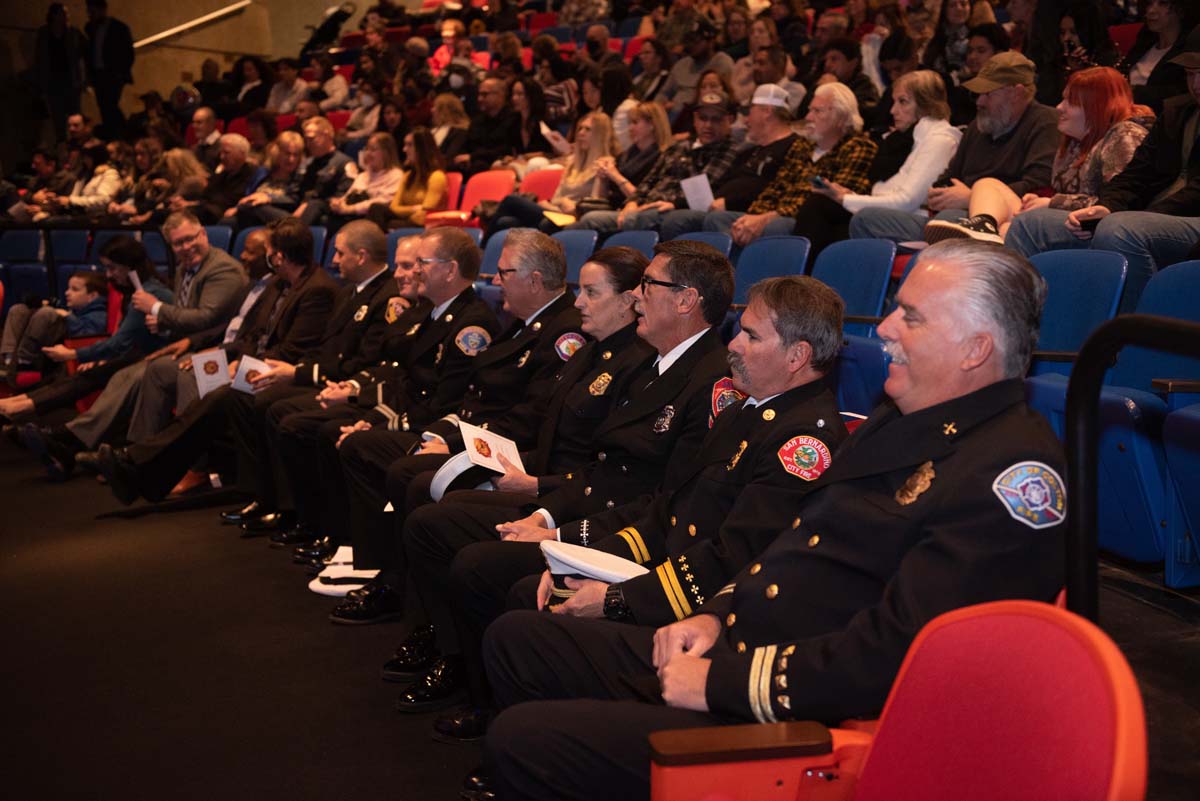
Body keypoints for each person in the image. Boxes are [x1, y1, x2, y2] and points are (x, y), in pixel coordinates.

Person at [479, 239, 1066, 801]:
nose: (883, 329)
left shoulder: (1008, 475)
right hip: (741, 642)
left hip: (799, 714)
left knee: (524, 741)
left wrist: (720, 682)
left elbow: (897, 660)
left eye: (910, 317)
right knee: (519, 639)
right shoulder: (904, 419)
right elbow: (789, 549)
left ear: (975, 348)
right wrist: (715, 617)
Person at [415, 275, 848, 740]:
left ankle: (540, 746)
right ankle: (532, 741)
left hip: (701, 614)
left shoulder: (802, 442)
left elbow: (735, 559)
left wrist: (618, 599)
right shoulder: (753, 410)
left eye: (751, 335)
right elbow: (669, 511)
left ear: (797, 356)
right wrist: (577, 559)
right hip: (670, 576)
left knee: (519, 625)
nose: (734, 345)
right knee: (528, 594)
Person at [251, 229, 498, 549]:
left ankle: (362, 549)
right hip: (408, 411)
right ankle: (343, 538)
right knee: (336, 433)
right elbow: (405, 379)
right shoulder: (433, 311)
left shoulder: (470, 324)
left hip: (432, 426)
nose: (415, 271)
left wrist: (381, 421)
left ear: (450, 270)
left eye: (422, 262)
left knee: (352, 442)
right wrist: (376, 417)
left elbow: (443, 399)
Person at [85, 219, 345, 505]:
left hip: (278, 371)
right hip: (251, 362)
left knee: (217, 391)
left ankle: (163, 467)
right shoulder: (279, 283)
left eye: (267, 250)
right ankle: (140, 464)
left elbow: (292, 350)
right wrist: (227, 357)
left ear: (278, 256)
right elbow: (254, 334)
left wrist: (243, 364)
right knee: (177, 370)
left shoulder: (317, 290)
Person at [13, 212, 246, 478]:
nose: (185, 247)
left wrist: (157, 309)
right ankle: (132, 457)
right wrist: (165, 323)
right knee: (131, 372)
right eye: (178, 244)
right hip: (189, 344)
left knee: (144, 371)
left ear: (203, 233)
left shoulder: (222, 269)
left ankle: (113, 452)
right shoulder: (186, 267)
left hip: (217, 350)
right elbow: (188, 316)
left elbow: (207, 318)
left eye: (190, 239)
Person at [1006, 27, 1200, 314]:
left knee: (1119, 229)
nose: (1195, 82)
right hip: (1148, 216)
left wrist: (1133, 214)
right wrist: (1107, 207)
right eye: (1190, 73)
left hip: (1187, 218)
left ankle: (1133, 341)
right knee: (1029, 225)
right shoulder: (1177, 113)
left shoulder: (1124, 133)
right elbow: (1136, 175)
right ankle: (1017, 330)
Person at [849, 51, 1058, 245]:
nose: (979, 102)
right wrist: (940, 193)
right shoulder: (978, 127)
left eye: (987, 94)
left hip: (1001, 220)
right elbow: (947, 178)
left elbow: (1039, 186)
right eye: (978, 94)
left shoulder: (1045, 122)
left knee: (948, 221)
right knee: (865, 218)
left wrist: (972, 198)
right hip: (951, 216)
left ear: (1016, 93)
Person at [926, 66, 1151, 244]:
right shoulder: (1075, 143)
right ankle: (983, 225)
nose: (1059, 107)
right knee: (987, 185)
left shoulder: (1125, 135)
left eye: (1070, 102)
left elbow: (1118, 204)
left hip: (1093, 229)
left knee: (1012, 228)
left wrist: (1051, 202)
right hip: (1066, 218)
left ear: (1097, 107)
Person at [0, 237, 172, 428]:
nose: (108, 275)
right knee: (80, 374)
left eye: (112, 268)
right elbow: (122, 340)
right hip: (134, 355)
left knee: (90, 375)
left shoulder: (149, 293)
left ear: (128, 266)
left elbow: (120, 342)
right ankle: (18, 403)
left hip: (152, 358)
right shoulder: (135, 292)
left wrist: (73, 353)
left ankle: (25, 409)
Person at [807, 70, 961, 263]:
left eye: (903, 102)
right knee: (823, 210)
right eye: (894, 101)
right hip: (898, 216)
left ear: (926, 104)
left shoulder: (939, 141)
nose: (892, 110)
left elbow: (906, 201)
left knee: (852, 218)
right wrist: (850, 197)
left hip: (916, 221)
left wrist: (845, 199)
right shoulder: (916, 138)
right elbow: (889, 191)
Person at [704, 82, 878, 248]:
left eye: (817, 111)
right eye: (810, 110)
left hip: (806, 222)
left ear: (840, 118)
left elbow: (833, 200)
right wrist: (754, 215)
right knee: (720, 220)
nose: (808, 117)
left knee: (775, 227)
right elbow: (777, 187)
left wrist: (768, 217)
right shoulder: (802, 147)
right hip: (775, 214)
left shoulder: (858, 147)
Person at [570, 91, 740, 234]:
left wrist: (673, 203)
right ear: (695, 119)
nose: (708, 125)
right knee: (588, 219)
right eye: (703, 118)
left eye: (716, 119)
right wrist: (632, 203)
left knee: (592, 221)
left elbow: (705, 186)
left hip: (670, 210)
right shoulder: (679, 146)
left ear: (730, 120)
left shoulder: (728, 150)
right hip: (643, 208)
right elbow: (649, 181)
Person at [659, 83, 800, 241]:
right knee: (675, 217)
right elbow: (720, 184)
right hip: (717, 208)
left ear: (766, 111)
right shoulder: (750, 151)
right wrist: (678, 203)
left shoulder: (793, 147)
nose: (746, 120)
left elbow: (775, 189)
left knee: (698, 220)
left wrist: (729, 202)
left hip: (748, 211)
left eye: (750, 112)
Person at [489, 112, 618, 234]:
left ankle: (480, 251)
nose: (581, 133)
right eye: (580, 129)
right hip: (556, 213)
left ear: (600, 134)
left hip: (574, 218)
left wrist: (572, 206)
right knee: (505, 222)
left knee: (511, 200)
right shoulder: (573, 164)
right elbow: (557, 198)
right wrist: (556, 205)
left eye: (588, 129)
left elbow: (596, 205)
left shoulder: (605, 164)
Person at [1, 270, 107, 381]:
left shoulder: (99, 315)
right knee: (18, 310)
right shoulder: (76, 310)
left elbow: (86, 337)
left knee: (47, 313)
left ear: (92, 296)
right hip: (44, 349)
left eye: (75, 289)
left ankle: (25, 361)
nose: (67, 293)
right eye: (68, 288)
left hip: (56, 356)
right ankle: (9, 359)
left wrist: (68, 317)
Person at [592, 102, 673, 212]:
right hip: (614, 209)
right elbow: (602, 198)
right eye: (630, 123)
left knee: (589, 220)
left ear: (652, 125)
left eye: (635, 122)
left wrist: (615, 175)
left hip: (636, 214)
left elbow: (645, 199)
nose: (630, 128)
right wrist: (602, 177)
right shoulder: (625, 155)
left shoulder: (662, 157)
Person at [1120, 0, 1197, 112]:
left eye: (1163, 3)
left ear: (1180, 9)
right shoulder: (1144, 42)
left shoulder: (1188, 49)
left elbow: (1182, 93)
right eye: (1149, 3)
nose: (1151, 11)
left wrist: (1133, 91)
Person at [367, 127, 448, 229]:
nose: (404, 149)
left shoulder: (437, 177)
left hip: (425, 224)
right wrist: (414, 209)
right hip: (406, 220)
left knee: (386, 224)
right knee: (376, 208)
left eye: (410, 145)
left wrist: (409, 211)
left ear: (422, 148)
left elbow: (425, 213)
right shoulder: (408, 176)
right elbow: (393, 207)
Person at [323, 132, 404, 228]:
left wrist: (350, 209)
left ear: (387, 152)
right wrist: (338, 203)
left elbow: (383, 202)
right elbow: (348, 196)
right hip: (353, 218)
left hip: (374, 222)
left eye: (373, 149)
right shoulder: (363, 176)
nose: (368, 153)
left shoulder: (396, 175)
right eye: (367, 149)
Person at [33, 3, 87, 142]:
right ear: (54, 16)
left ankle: (77, 147)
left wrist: (83, 80)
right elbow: (40, 60)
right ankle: (63, 146)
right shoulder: (44, 35)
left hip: (71, 83)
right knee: (58, 120)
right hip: (54, 85)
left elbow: (85, 54)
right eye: (63, 13)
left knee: (75, 117)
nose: (66, 17)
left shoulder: (73, 34)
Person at [83, 0, 134, 139]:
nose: (90, 15)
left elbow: (128, 53)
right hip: (99, 74)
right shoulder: (91, 28)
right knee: (105, 106)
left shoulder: (118, 28)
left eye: (93, 12)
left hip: (113, 74)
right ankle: (115, 133)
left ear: (102, 10)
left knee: (109, 104)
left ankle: (120, 133)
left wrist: (120, 72)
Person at [662, 15, 735, 109]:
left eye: (696, 41)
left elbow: (724, 98)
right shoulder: (681, 64)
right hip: (671, 113)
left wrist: (677, 106)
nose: (691, 45)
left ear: (711, 42)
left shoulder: (722, 62)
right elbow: (664, 92)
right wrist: (658, 107)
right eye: (689, 41)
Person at [455, 78, 519, 176]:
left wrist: (473, 157)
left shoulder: (513, 119)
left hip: (494, 163)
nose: (479, 99)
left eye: (485, 95)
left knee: (479, 166)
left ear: (500, 95)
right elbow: (467, 146)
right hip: (472, 163)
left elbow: (506, 149)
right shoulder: (477, 121)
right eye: (479, 94)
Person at [430, 92, 471, 163]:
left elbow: (451, 156)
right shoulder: (434, 131)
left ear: (445, 111)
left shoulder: (460, 132)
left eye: (435, 106)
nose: (432, 110)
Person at [633, 38, 672, 102]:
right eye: (640, 53)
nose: (641, 57)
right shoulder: (638, 76)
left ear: (659, 57)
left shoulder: (666, 79)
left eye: (647, 53)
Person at [190, 106, 223, 170]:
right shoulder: (195, 148)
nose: (194, 126)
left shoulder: (223, 146)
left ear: (211, 123)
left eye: (199, 122)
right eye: (193, 122)